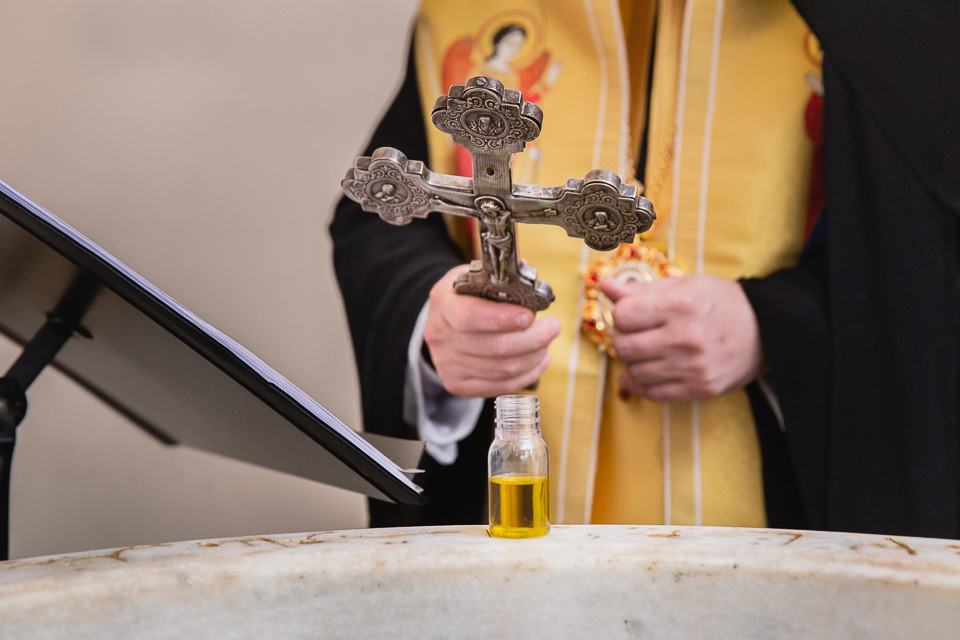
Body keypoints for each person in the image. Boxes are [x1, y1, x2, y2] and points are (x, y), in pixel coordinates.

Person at [332, 0, 960, 538]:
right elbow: (384, 213)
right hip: (517, 521)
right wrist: (435, 315)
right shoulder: (470, 13)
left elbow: (925, 254)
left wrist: (773, 328)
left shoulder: (888, 21)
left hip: (769, 533)